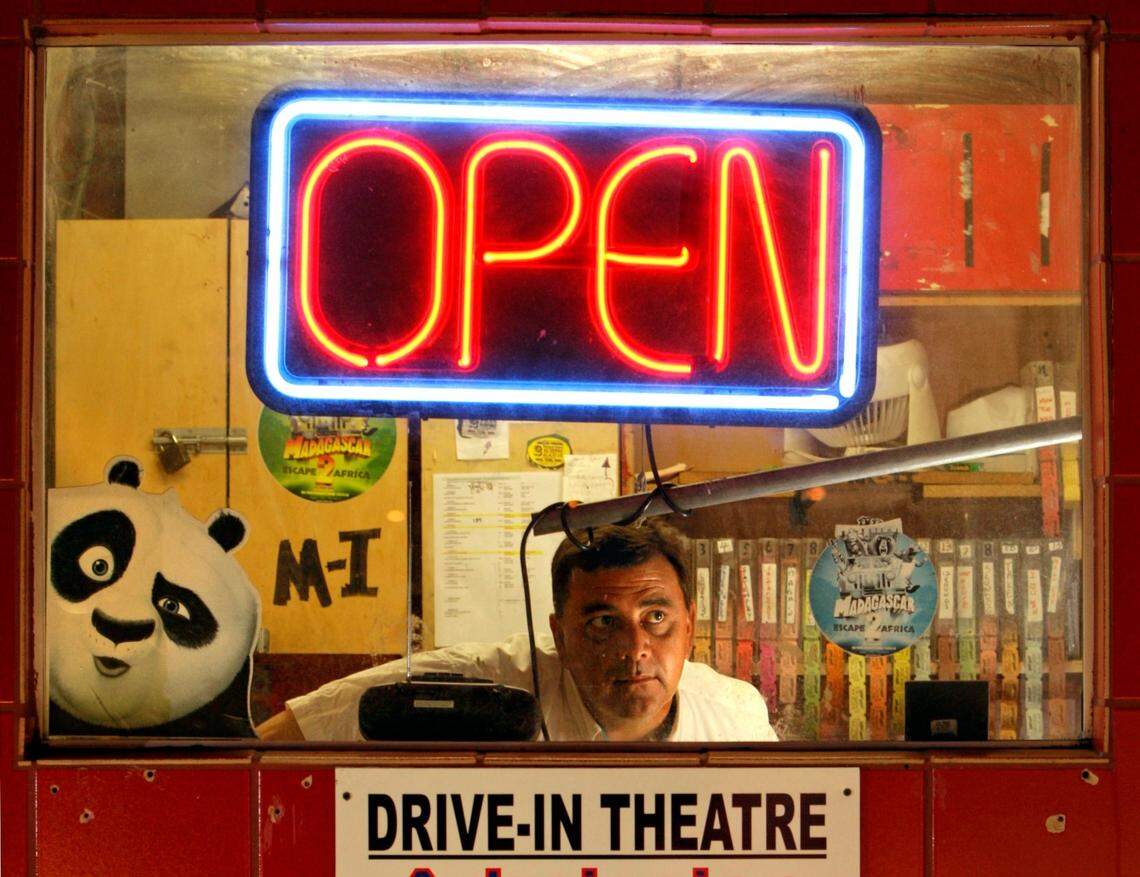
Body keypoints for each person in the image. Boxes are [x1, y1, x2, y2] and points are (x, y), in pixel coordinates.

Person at [256, 520, 777, 742]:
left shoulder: (737, 716)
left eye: (656, 618)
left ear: (689, 624)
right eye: (602, 623)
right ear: (560, 633)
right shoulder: (496, 687)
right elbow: (313, 721)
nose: (635, 649)